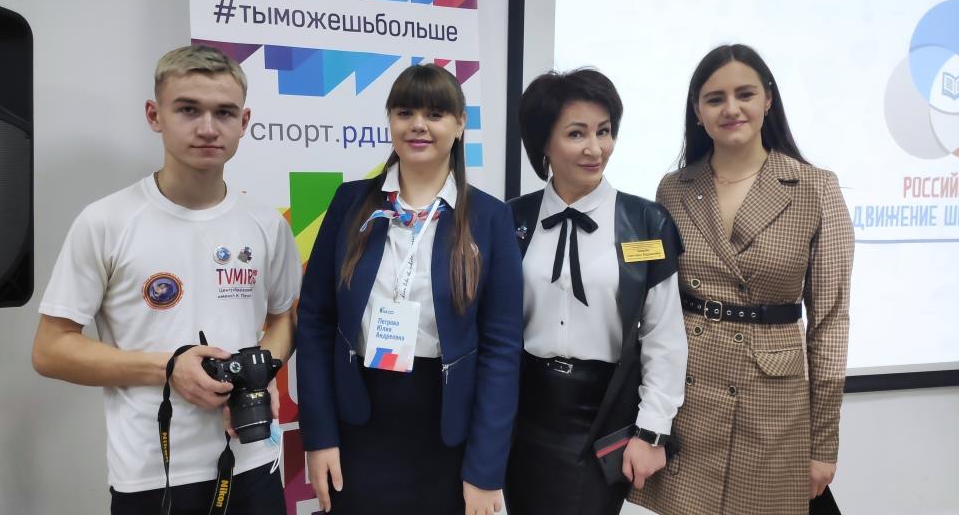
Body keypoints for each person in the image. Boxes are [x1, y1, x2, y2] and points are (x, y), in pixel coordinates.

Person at [32, 45, 301, 515]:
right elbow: (50, 350)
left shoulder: (266, 223)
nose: (208, 128)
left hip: (255, 460)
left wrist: (262, 371)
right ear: (154, 115)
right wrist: (168, 367)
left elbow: (283, 319)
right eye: (188, 110)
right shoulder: (107, 221)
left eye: (224, 113)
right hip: (152, 475)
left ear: (244, 121)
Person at [628, 44, 854, 515]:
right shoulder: (674, 188)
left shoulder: (816, 188)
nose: (731, 109)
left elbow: (830, 323)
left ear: (768, 99)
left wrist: (823, 443)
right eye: (715, 99)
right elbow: (657, 302)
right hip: (690, 391)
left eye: (745, 94)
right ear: (698, 112)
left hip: (773, 399)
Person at [295, 64, 523, 515]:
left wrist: (485, 469)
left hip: (447, 432)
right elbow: (316, 322)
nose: (418, 125)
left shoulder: (491, 218)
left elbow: (501, 349)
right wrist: (319, 437)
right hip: (357, 424)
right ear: (391, 121)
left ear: (460, 124)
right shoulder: (349, 202)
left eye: (435, 114)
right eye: (405, 113)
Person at [504, 68, 688, 514]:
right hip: (523, 418)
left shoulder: (646, 223)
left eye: (604, 131)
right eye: (576, 133)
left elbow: (663, 335)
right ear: (543, 143)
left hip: (604, 417)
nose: (595, 148)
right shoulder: (511, 220)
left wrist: (651, 431)